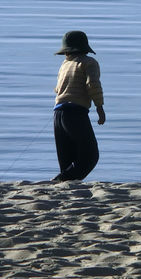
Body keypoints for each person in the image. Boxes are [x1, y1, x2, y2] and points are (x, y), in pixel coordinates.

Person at [52, 30, 106, 182]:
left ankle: (63, 184)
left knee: (67, 159)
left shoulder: (65, 65)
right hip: (75, 113)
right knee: (90, 156)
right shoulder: (89, 63)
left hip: (58, 113)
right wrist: (100, 108)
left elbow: (57, 89)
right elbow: (93, 85)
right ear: (85, 48)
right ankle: (57, 181)